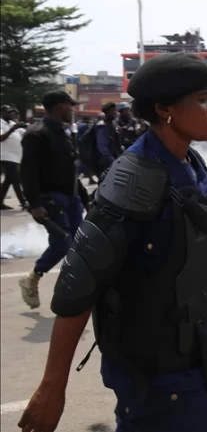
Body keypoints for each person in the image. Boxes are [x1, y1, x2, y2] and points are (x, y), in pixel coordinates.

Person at [18, 53, 207, 432]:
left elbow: (201, 252)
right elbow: (80, 283)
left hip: (195, 357)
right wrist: (53, 386)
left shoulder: (190, 164)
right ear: (165, 110)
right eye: (201, 100)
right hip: (156, 374)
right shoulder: (134, 182)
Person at [17, 90, 90, 309]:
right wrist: (35, 205)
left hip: (71, 197)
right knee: (62, 243)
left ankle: (74, 287)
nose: (72, 110)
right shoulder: (37, 134)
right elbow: (27, 173)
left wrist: (85, 199)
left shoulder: (63, 133)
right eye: (70, 106)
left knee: (79, 244)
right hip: (51, 198)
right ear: (59, 106)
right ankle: (31, 278)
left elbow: (70, 171)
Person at [1, 105, 27, 210]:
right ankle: (24, 202)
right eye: (8, 112)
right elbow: (1, 138)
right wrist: (13, 129)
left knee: (9, 180)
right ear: (1, 113)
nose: (10, 114)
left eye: (11, 112)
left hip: (16, 157)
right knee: (17, 179)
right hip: (5, 156)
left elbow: (25, 134)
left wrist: (25, 127)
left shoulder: (13, 123)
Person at [95, 102, 120, 176]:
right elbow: (102, 147)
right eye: (113, 111)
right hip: (106, 162)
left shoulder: (112, 124)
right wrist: (113, 161)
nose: (115, 112)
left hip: (113, 159)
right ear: (107, 112)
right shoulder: (102, 126)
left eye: (115, 110)